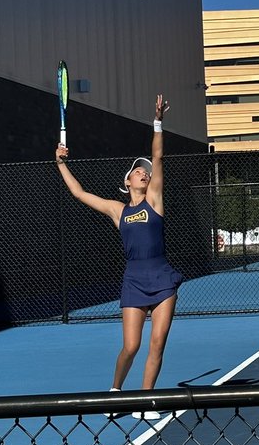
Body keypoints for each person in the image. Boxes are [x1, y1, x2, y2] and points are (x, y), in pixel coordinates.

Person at [55, 95, 182, 416]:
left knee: (157, 343)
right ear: (127, 181)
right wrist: (60, 162)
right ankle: (115, 391)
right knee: (131, 346)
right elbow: (79, 193)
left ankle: (145, 400)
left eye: (146, 172)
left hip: (163, 278)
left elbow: (158, 154)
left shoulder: (154, 201)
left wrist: (157, 123)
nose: (144, 172)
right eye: (138, 171)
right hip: (134, 281)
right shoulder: (118, 210)